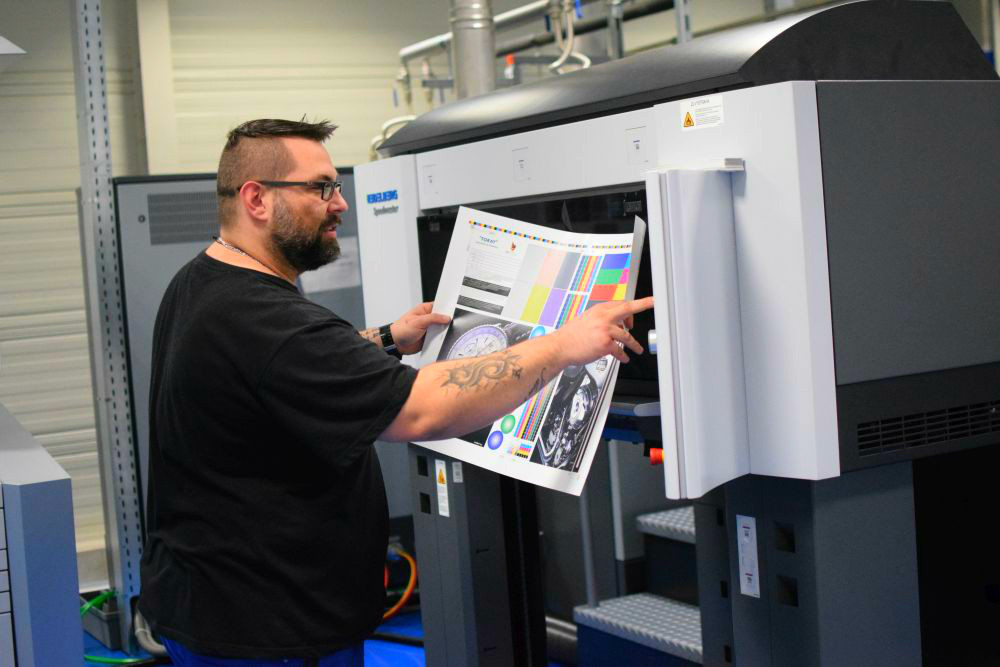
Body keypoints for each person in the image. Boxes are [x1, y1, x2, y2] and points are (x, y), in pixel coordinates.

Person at [137, 118, 653, 666]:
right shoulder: (266, 317)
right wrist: (564, 345)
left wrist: (385, 338)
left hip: (211, 602)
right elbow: (422, 411)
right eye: (321, 188)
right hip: (267, 631)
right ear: (257, 199)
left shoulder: (203, 281)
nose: (340, 204)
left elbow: (279, 371)